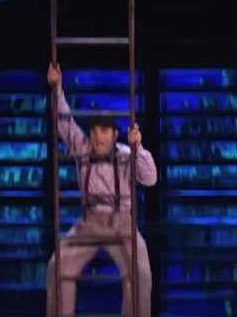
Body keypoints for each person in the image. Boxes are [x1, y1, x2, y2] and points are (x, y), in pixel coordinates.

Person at [45, 63, 157, 317]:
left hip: (121, 224)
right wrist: (57, 86)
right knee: (57, 268)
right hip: (89, 223)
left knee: (141, 274)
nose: (98, 137)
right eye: (94, 131)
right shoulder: (82, 148)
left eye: (104, 131)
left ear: (115, 134)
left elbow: (150, 179)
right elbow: (64, 122)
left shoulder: (127, 155)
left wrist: (139, 148)